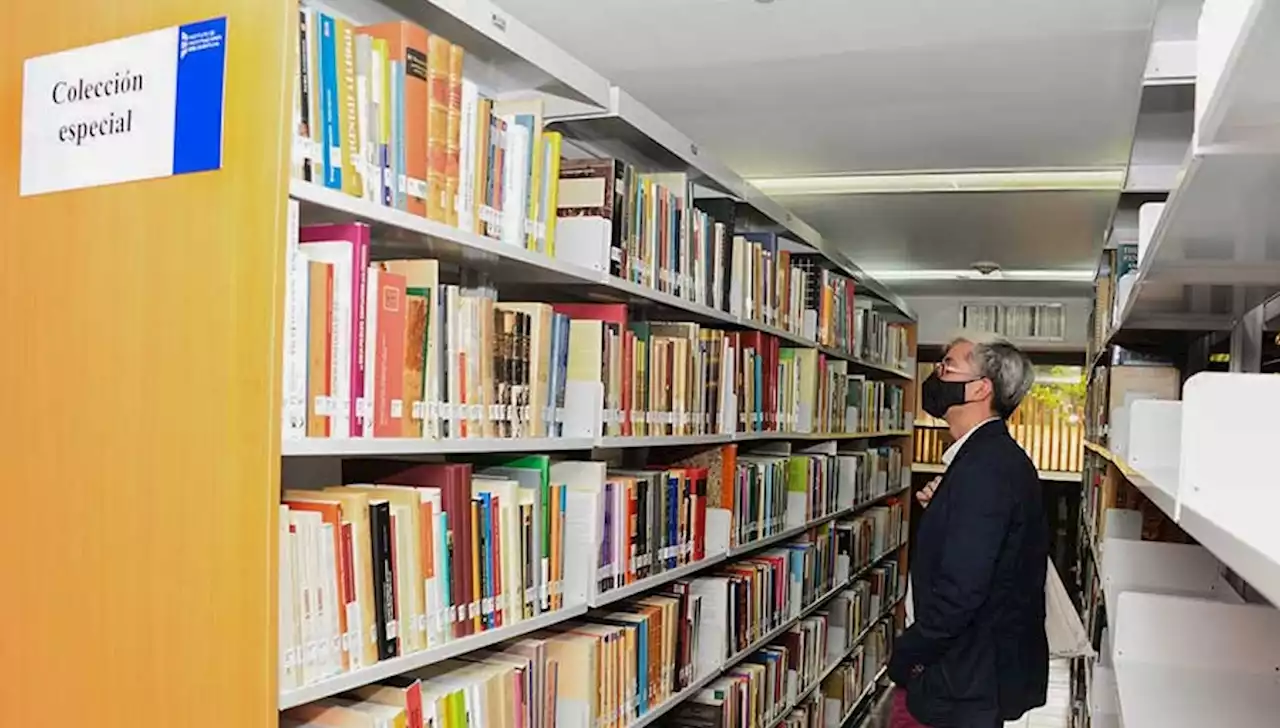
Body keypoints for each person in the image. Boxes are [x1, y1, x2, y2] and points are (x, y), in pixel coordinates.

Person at [887, 337, 1049, 728]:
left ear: (980, 388)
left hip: (961, 682)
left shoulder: (985, 470)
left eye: (947, 365)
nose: (936, 374)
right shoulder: (990, 459)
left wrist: (907, 654)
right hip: (972, 676)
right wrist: (945, 513)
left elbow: (961, 594)